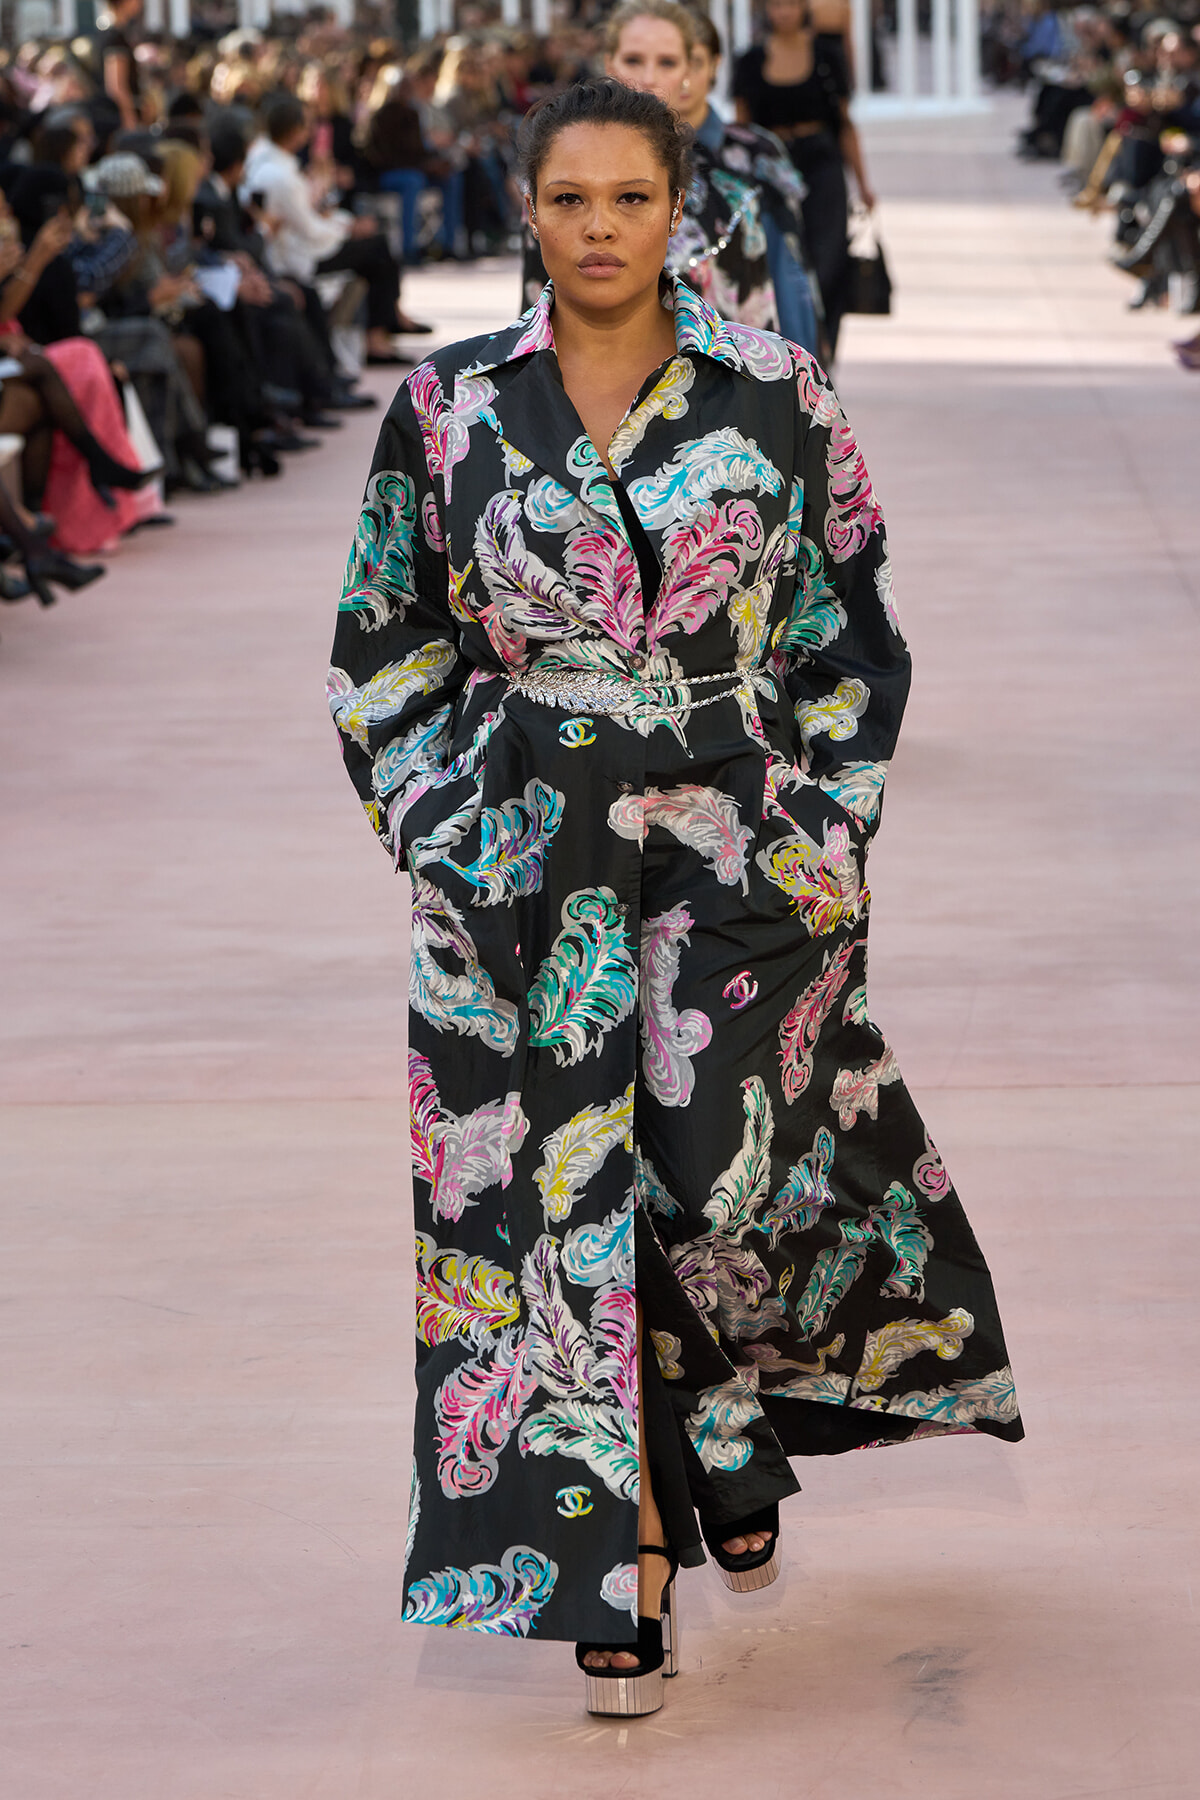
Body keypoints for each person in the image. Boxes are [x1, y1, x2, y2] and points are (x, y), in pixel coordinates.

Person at [329, 75, 1022, 1718]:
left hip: (732, 837)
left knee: (718, 1177)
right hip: (520, 857)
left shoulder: (775, 393)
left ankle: (722, 1436)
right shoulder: (447, 407)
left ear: (675, 205)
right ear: (529, 212)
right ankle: (619, 1551)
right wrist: (440, 835)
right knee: (549, 1214)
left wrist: (828, 836)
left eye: (628, 199)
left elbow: (849, 631)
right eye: (568, 200)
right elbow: (386, 640)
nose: (597, 229)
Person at [520, 3, 820, 353]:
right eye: (633, 60)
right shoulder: (558, 161)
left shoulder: (751, 159)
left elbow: (789, 282)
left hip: (726, 378)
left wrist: (797, 385)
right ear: (609, 63)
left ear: (689, 70)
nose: (647, 77)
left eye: (666, 62)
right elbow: (535, 299)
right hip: (583, 381)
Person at [733, 0, 876, 358]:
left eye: (791, 4)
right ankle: (792, 357)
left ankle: (822, 356)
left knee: (829, 261)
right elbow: (742, 128)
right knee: (780, 264)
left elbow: (845, 123)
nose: (783, 12)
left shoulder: (827, 56)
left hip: (822, 163)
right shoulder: (750, 60)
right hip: (770, 170)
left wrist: (863, 184)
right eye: (776, 5)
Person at [242, 95, 415, 367]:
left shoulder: (267, 160)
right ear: (296, 131)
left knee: (374, 245)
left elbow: (308, 215)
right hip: (299, 256)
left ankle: (384, 327)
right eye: (307, 125)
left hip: (301, 243)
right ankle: (377, 340)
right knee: (377, 249)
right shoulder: (279, 174)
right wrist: (349, 227)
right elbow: (310, 230)